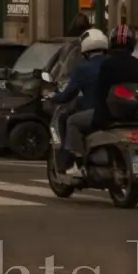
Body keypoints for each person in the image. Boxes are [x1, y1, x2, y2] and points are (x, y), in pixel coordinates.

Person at [50, 29, 108, 171]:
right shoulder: (112, 64)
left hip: (96, 113)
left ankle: (76, 161)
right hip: (116, 112)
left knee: (71, 121)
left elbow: (68, 94)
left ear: (85, 50)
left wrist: (54, 97)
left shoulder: (83, 68)